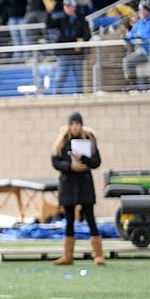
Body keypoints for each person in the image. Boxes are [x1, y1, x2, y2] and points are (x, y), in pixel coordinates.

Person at [50, 112, 104, 266]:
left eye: (77, 124)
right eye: (72, 124)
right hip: (68, 185)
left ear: (81, 125)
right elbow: (55, 161)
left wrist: (84, 159)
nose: (75, 127)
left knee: (90, 218)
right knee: (69, 220)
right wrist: (69, 166)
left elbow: (96, 162)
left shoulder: (89, 140)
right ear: (69, 125)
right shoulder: (62, 142)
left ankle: (98, 255)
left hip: (84, 184)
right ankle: (68, 256)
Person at [45, 0, 91, 94]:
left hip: (76, 53)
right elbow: (49, 24)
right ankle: (56, 97)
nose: (68, 8)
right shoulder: (61, 18)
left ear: (74, 7)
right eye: (66, 6)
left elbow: (87, 34)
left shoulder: (82, 19)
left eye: (69, 6)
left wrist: (82, 41)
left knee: (79, 79)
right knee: (60, 78)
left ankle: (80, 96)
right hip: (63, 53)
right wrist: (48, 12)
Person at [122, 1, 150, 90]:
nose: (141, 13)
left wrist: (141, 37)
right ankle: (132, 86)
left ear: (147, 11)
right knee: (128, 61)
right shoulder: (140, 22)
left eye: (143, 10)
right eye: (140, 11)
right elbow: (133, 33)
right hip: (145, 51)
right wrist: (127, 38)